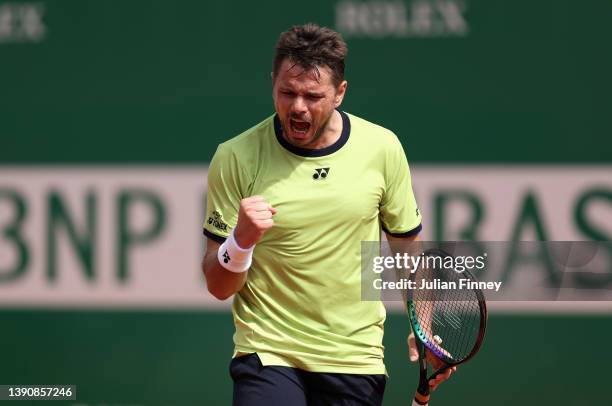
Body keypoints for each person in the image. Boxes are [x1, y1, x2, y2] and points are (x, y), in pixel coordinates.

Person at [202, 23, 454, 405]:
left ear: (340, 93)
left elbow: (409, 254)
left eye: (312, 95)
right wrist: (240, 242)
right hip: (268, 353)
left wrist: (424, 327)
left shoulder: (382, 148)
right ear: (273, 83)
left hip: (354, 359)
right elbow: (219, 287)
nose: (297, 106)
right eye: (286, 92)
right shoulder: (235, 157)